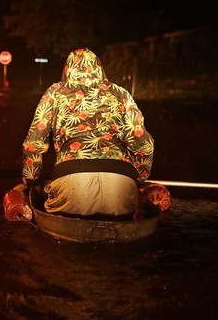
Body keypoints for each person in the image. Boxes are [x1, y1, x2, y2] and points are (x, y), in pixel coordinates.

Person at [21, 48, 154, 217]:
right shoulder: (121, 94)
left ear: (67, 69)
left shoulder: (54, 94)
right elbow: (145, 145)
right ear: (99, 68)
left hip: (71, 180)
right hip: (121, 182)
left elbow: (33, 144)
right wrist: (139, 179)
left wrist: (33, 180)